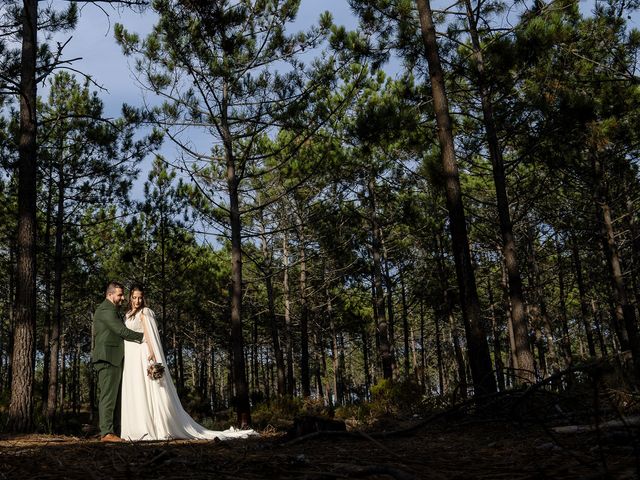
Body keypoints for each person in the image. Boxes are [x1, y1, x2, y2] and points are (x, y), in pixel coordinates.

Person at [120, 285, 256, 441]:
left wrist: (151, 352)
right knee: (136, 389)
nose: (137, 300)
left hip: (142, 354)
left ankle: (152, 425)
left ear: (143, 298)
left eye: (140, 297)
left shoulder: (145, 312)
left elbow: (150, 335)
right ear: (130, 297)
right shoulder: (127, 314)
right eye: (134, 297)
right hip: (131, 357)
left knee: (147, 388)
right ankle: (135, 426)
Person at [91, 281, 145, 443]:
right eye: (120, 294)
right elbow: (121, 331)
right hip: (107, 358)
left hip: (113, 358)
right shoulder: (106, 310)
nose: (122, 298)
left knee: (115, 398)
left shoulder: (112, 310)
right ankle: (106, 433)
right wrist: (144, 337)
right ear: (110, 294)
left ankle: (113, 431)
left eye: (122, 294)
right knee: (108, 397)